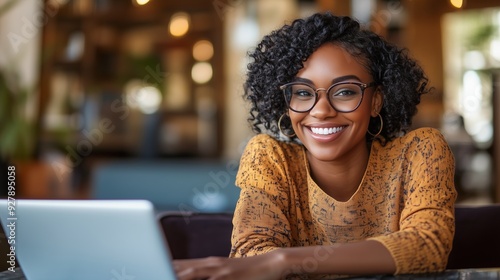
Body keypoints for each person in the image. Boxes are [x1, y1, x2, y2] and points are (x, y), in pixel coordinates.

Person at [174, 12, 457, 280]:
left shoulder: (420, 151)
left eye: (345, 91)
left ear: (376, 101)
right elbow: (251, 254)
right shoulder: (270, 157)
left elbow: (428, 246)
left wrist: (283, 261)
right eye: (302, 93)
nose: (321, 111)